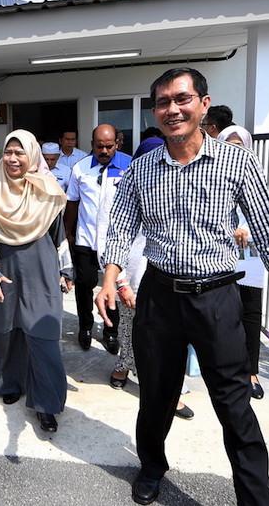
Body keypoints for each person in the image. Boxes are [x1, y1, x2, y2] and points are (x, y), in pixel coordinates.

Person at [97, 67, 269, 506]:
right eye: (162, 102)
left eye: (182, 99)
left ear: (203, 104)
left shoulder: (238, 162)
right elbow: (120, 226)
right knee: (156, 394)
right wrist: (109, 278)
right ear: (155, 112)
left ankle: (255, 498)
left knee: (234, 404)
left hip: (216, 298)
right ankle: (152, 467)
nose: (172, 109)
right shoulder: (142, 169)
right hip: (159, 297)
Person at [0, 130, 72, 433]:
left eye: (20, 152)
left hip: (41, 272)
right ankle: (10, 384)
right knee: (6, 332)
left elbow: (60, 236)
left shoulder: (48, 189)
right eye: (8, 152)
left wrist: (66, 270)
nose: (13, 158)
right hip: (4, 269)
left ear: (32, 155)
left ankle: (47, 405)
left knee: (43, 336)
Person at [95, 137, 193, 420]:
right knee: (130, 329)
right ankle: (124, 365)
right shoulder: (118, 191)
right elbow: (107, 239)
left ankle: (169, 393)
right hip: (133, 276)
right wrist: (120, 282)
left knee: (168, 339)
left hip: (171, 278)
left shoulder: (178, 190)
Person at [64, 124, 130, 352]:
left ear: (117, 144)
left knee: (113, 287)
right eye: (99, 146)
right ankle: (85, 327)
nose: (104, 151)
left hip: (115, 243)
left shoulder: (129, 166)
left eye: (109, 146)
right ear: (92, 145)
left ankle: (111, 331)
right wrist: (68, 233)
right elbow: (72, 203)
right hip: (86, 239)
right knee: (84, 286)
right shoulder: (81, 168)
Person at [217, 124, 268, 400]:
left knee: (249, 312)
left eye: (240, 145)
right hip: (218, 258)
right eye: (229, 144)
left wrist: (248, 227)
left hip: (249, 258)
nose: (235, 150)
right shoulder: (210, 175)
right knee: (221, 315)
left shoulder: (256, 175)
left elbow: (266, 214)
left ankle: (251, 371)